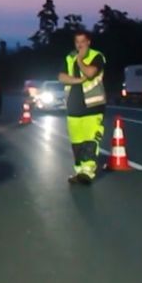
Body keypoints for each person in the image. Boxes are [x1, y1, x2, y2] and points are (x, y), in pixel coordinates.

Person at [58, 30, 107, 185]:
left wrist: (79, 59)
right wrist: (79, 81)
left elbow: (90, 72)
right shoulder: (68, 57)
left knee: (90, 140)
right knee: (77, 142)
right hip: (73, 107)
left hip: (92, 107)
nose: (79, 45)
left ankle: (88, 171)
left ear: (88, 42)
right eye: (77, 42)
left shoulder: (96, 56)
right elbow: (61, 77)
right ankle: (79, 172)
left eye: (82, 41)